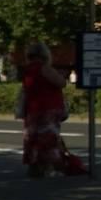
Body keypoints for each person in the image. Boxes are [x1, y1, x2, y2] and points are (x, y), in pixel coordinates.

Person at [18, 42, 67, 179]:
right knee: (48, 139)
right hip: (48, 109)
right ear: (45, 54)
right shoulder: (44, 68)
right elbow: (61, 83)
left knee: (33, 139)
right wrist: (61, 75)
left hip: (32, 109)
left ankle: (34, 167)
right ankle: (50, 168)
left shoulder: (27, 70)